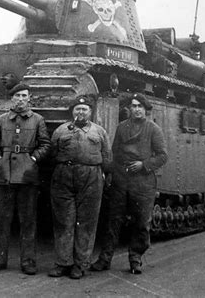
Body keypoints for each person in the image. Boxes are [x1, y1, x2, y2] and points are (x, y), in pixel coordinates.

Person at [91, 93, 168, 274]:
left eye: (140, 106)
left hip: (143, 182)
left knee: (141, 223)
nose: (136, 109)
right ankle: (105, 258)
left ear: (145, 109)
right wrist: (109, 171)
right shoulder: (121, 127)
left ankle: (135, 259)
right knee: (113, 220)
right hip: (121, 179)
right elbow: (115, 153)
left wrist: (144, 164)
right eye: (133, 106)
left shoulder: (153, 129)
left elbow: (163, 156)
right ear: (129, 109)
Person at [0, 83, 50, 275]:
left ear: (29, 98)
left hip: (27, 175)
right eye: (17, 96)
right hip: (5, 173)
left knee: (28, 220)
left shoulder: (38, 120)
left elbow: (45, 144)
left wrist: (33, 159)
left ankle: (28, 261)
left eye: (24, 96)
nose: (20, 99)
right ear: (11, 98)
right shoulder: (1, 119)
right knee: (2, 219)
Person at [48, 96, 112, 279]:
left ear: (90, 112)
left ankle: (80, 264)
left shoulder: (99, 132)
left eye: (84, 109)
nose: (81, 112)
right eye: (77, 109)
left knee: (86, 222)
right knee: (63, 221)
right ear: (72, 112)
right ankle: (62, 263)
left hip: (91, 177)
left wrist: (107, 176)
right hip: (64, 176)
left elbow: (107, 156)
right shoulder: (61, 130)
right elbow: (53, 152)